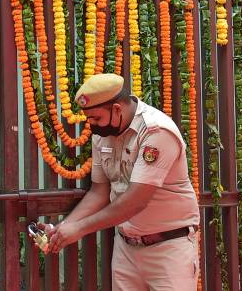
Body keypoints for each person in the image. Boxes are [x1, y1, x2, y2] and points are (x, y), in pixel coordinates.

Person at [42, 73, 200, 290]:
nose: (92, 125)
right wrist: (63, 228)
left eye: (96, 118)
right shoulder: (103, 134)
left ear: (117, 109)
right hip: (126, 248)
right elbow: (99, 192)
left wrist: (79, 229)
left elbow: (136, 201)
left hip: (168, 249)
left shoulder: (156, 131)